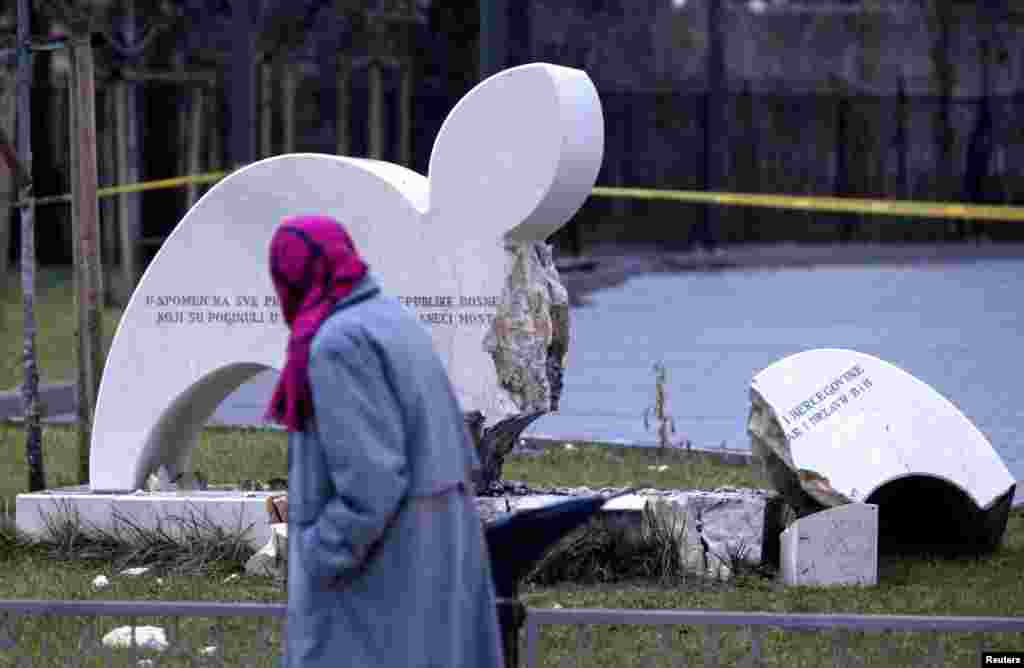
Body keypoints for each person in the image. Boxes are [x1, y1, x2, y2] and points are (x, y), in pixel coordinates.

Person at [266, 215, 505, 668]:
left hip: (384, 571)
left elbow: (370, 483)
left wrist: (317, 554)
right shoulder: (392, 317)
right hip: (437, 544)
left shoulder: (339, 343)